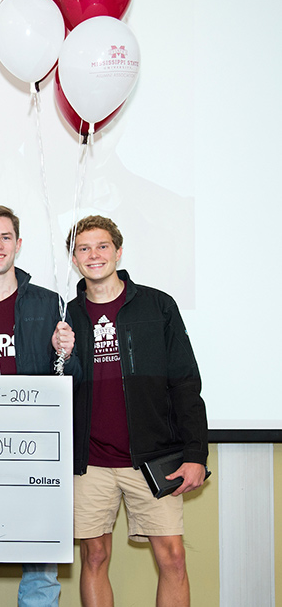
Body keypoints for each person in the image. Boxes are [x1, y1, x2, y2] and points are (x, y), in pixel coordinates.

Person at [65, 215, 208, 607]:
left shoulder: (157, 305)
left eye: (102, 246)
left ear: (118, 251)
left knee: (174, 559)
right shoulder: (65, 314)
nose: (94, 255)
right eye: (84, 248)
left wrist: (196, 454)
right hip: (89, 462)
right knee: (94, 556)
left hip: (152, 457)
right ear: (73, 258)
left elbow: (185, 381)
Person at [0, 205, 77, 607]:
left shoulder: (50, 303)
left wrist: (69, 352)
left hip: (37, 446)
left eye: (6, 237)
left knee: (41, 553)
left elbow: (71, 378)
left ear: (19, 244)